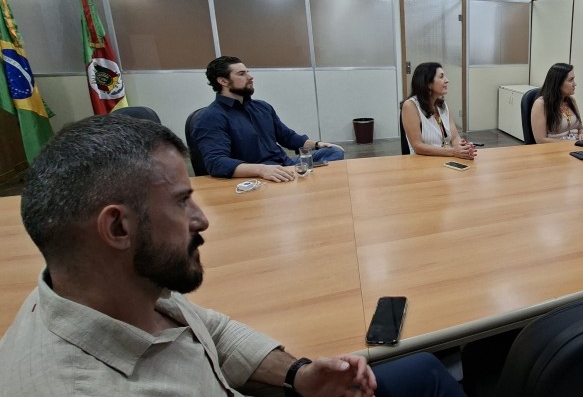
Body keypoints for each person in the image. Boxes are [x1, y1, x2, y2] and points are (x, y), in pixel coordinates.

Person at [0, 116, 465, 396]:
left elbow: (215, 333)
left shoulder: (114, 288)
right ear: (118, 227)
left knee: (424, 369)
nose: (201, 219)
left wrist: (298, 375)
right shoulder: (85, 386)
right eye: (182, 202)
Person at [194, 56, 344, 182]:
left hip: (284, 164)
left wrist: (318, 144)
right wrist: (262, 170)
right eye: (241, 74)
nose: (250, 77)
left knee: (333, 152)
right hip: (257, 173)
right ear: (223, 81)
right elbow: (216, 163)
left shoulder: (262, 107)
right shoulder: (212, 117)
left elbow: (288, 137)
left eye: (248, 72)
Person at [401, 62, 476, 159]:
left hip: (445, 159)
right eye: (441, 77)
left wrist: (463, 148)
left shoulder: (442, 105)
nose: (447, 80)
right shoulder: (410, 106)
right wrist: (453, 151)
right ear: (428, 83)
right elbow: (417, 146)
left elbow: (454, 137)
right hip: (422, 162)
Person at [530, 63, 583, 143]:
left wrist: (582, 135)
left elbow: (580, 128)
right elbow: (540, 140)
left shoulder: (571, 101)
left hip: (575, 145)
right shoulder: (541, 104)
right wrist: (572, 143)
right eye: (570, 80)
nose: (575, 84)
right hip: (554, 148)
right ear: (557, 83)